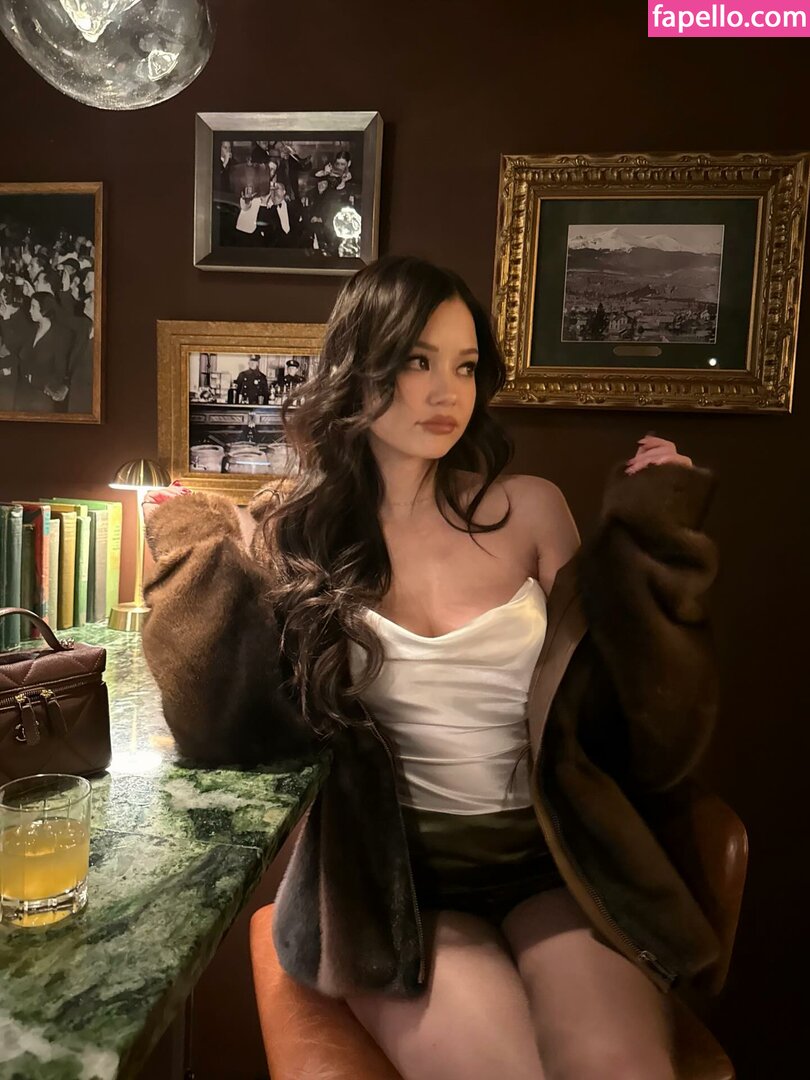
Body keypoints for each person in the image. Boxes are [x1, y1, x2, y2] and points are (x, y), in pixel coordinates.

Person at [141, 255, 719, 1080]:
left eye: (465, 365)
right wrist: (198, 550)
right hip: (392, 887)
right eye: (417, 361)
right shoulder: (295, 536)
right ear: (359, 367)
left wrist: (656, 539)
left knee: (620, 1068)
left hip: (552, 865)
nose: (447, 391)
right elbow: (222, 730)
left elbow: (626, 708)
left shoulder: (532, 508)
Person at [16, 292, 72, 413]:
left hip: (42, 397)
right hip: (23, 392)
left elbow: (60, 371)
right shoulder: (31, 329)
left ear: (45, 309)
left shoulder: (60, 336)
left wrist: (37, 381)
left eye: (33, 307)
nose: (30, 310)